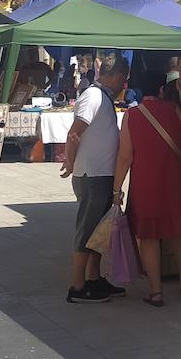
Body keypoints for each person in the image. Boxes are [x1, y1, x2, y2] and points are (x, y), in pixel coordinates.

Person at [113, 70, 181, 307]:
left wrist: (116, 190)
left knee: (149, 238)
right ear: (162, 90)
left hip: (145, 185)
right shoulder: (174, 110)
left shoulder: (131, 116)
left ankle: (156, 292)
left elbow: (125, 157)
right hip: (175, 182)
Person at [63, 51, 130, 304]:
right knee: (87, 229)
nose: (124, 85)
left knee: (98, 232)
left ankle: (93, 278)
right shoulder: (92, 96)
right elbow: (74, 133)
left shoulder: (102, 97)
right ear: (114, 76)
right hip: (92, 175)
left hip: (101, 174)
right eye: (123, 79)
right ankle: (77, 285)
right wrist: (70, 162)